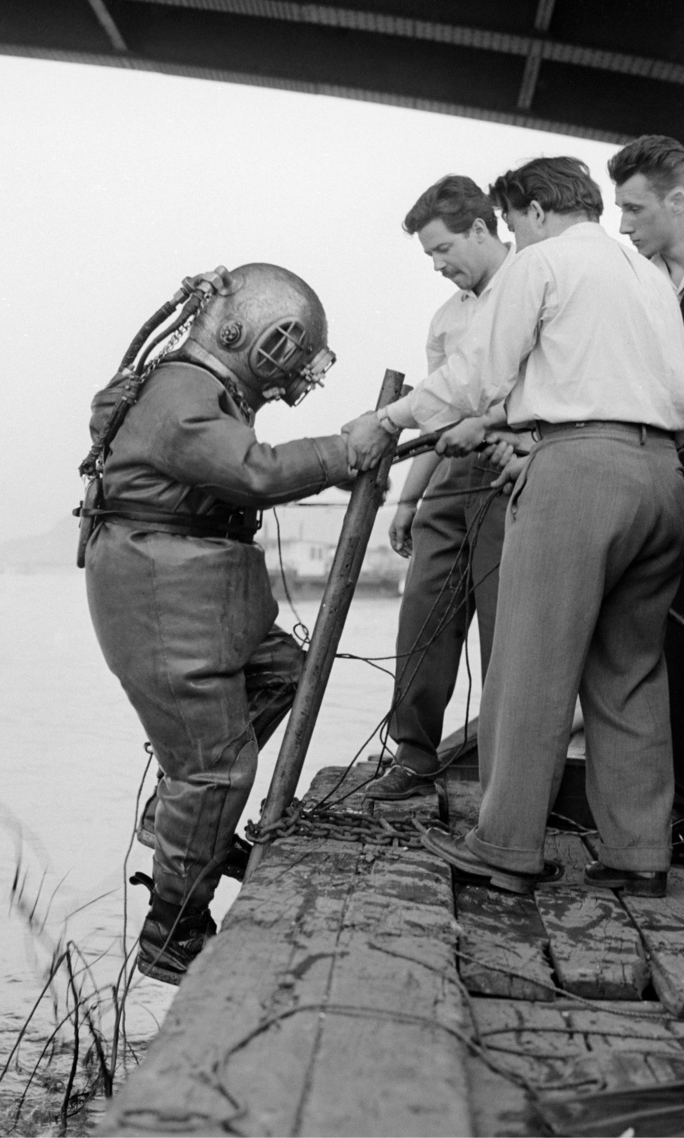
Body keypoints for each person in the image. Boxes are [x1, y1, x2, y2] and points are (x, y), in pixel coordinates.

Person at [342, 157, 684, 897]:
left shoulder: (544, 265)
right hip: (662, 474)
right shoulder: (652, 278)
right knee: (631, 669)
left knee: (531, 660)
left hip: (577, 468)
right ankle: (639, 853)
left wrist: (387, 418)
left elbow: (474, 377)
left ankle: (505, 848)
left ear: (530, 211)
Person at [81, 263, 371, 983]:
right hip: (164, 596)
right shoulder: (182, 393)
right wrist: (346, 449)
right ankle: (172, 933)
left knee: (283, 675)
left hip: (196, 589)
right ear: (248, 333)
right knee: (214, 768)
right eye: (288, 355)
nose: (289, 375)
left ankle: (179, 825)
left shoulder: (197, 389)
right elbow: (255, 472)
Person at [367, 176, 513, 801]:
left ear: (482, 229)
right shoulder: (446, 318)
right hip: (452, 475)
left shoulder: (533, 283)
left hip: (513, 467)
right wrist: (406, 500)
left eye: (443, 247)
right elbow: (436, 413)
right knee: (423, 612)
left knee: (507, 630)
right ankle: (415, 753)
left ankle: (508, 777)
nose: (438, 264)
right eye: (428, 255)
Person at [607, 135, 684, 840]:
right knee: (665, 641)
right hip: (665, 476)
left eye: (634, 209)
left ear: (678, 199)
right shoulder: (641, 284)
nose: (624, 226)